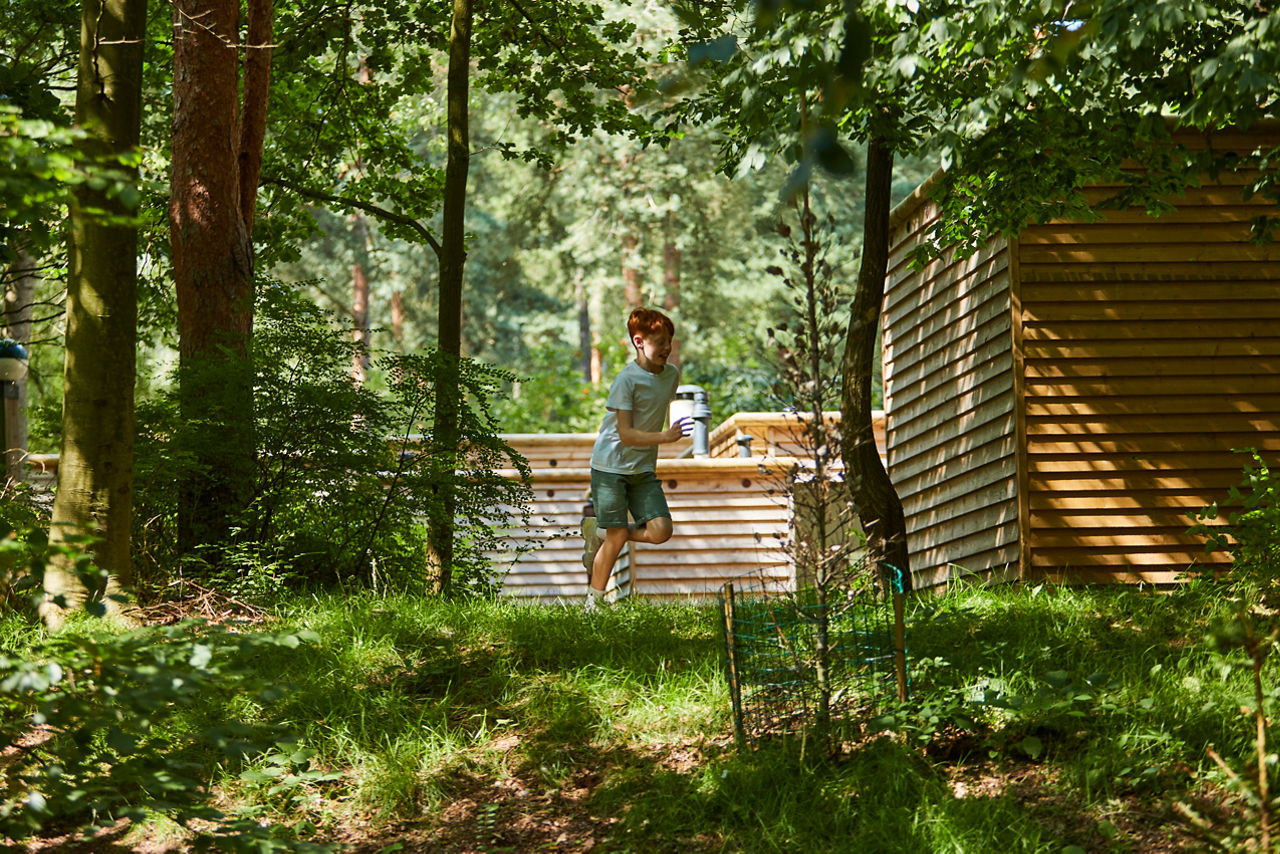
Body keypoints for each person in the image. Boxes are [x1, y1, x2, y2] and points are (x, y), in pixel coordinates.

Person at [580, 307, 692, 611]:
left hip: (642, 469)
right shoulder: (626, 380)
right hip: (610, 467)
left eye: (669, 341)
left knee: (660, 531)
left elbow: (657, 407)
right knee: (616, 539)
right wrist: (666, 437)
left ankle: (598, 530)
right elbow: (626, 433)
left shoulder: (671, 375)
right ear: (639, 342)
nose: (667, 348)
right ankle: (594, 605)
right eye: (659, 342)